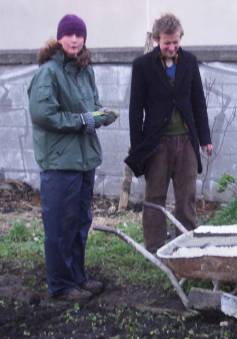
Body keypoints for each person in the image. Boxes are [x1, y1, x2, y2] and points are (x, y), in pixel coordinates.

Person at [28, 14, 118, 301]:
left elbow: (91, 106)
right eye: (69, 34)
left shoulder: (84, 70)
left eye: (79, 34)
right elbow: (44, 114)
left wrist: (100, 115)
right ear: (59, 38)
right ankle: (61, 285)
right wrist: (84, 119)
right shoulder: (48, 73)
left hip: (83, 160)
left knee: (80, 221)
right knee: (59, 226)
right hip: (59, 162)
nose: (75, 39)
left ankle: (77, 276)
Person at [125, 13, 212, 253]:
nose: (172, 47)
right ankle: (155, 249)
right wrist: (138, 145)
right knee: (155, 199)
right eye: (167, 43)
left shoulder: (190, 62)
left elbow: (198, 101)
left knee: (186, 199)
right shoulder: (142, 66)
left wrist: (205, 138)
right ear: (156, 40)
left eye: (175, 42)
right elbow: (135, 109)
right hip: (157, 144)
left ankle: (187, 246)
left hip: (186, 141)